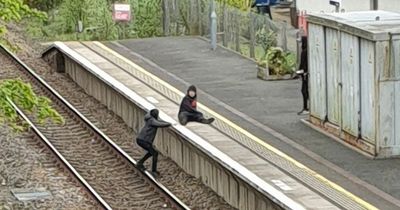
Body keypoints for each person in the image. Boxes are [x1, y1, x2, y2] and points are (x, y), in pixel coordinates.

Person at [136, 109, 171, 177]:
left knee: (152, 152)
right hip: (144, 140)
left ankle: (140, 163)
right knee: (155, 153)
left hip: (141, 139)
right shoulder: (152, 121)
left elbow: (159, 121)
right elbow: (159, 124)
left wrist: (166, 122)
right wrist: (169, 124)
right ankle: (153, 171)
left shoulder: (150, 119)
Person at [297, 36, 309, 115]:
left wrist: (302, 72)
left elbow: (303, 64)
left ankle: (305, 107)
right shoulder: (307, 51)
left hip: (304, 74)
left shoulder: (304, 52)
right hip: (305, 73)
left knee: (304, 91)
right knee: (305, 91)